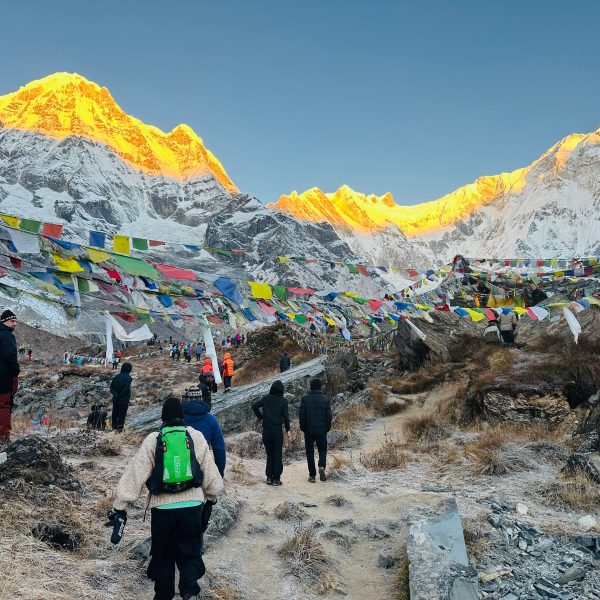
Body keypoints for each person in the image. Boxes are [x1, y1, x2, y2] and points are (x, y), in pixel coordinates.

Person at [110, 397, 223, 600]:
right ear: (183, 416)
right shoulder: (196, 437)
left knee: (163, 555)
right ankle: (189, 593)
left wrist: (120, 505)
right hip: (192, 508)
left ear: (163, 417)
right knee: (189, 552)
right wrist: (211, 498)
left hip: (162, 510)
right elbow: (212, 478)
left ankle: (163, 595)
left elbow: (135, 474)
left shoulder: (153, 439)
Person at [252, 380, 290, 486]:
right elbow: (286, 418)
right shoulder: (283, 401)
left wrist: (261, 417)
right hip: (277, 431)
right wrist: (288, 430)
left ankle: (269, 477)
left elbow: (254, 406)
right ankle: (276, 479)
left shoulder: (266, 399)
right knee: (277, 454)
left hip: (267, 431)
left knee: (270, 454)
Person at [299, 379, 332, 483]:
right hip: (321, 430)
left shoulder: (305, 399)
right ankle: (321, 465)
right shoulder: (325, 399)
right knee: (322, 450)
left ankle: (312, 476)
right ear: (320, 387)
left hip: (309, 430)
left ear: (310, 387)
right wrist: (327, 428)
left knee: (310, 453)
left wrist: (303, 428)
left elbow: (301, 416)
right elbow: (329, 416)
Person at [0, 310, 20, 443]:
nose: (15, 324)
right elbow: (10, 357)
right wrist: (16, 372)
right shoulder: (7, 336)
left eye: (15, 321)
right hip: (4, 377)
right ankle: (3, 436)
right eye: (12, 321)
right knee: (4, 406)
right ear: (4, 321)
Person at [110, 362, 133, 432]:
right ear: (129, 369)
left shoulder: (116, 377)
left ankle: (113, 428)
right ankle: (119, 430)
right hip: (123, 400)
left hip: (115, 399)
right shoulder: (129, 378)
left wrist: (115, 394)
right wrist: (120, 396)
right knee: (121, 416)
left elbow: (111, 388)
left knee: (114, 414)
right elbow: (126, 389)